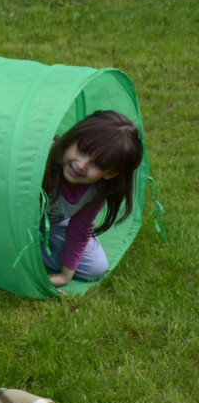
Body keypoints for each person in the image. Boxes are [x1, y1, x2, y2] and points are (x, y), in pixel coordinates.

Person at [40, 110, 143, 287]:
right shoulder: (42, 159)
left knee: (95, 268)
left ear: (110, 173)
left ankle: (34, 252)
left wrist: (65, 276)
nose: (81, 165)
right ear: (73, 139)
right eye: (82, 150)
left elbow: (80, 228)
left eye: (97, 164)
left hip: (52, 222)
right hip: (13, 217)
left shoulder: (97, 188)